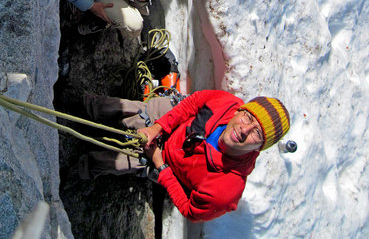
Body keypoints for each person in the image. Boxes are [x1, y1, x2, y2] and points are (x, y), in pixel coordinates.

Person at [78, 90, 290, 222]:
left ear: (259, 148)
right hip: (172, 125)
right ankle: (83, 104)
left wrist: (161, 166)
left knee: (108, 161)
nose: (244, 129)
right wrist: (158, 128)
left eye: (257, 133)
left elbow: (191, 210)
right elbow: (194, 102)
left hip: (166, 165)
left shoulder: (226, 190)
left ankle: (78, 168)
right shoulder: (227, 103)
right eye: (248, 116)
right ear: (239, 110)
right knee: (124, 110)